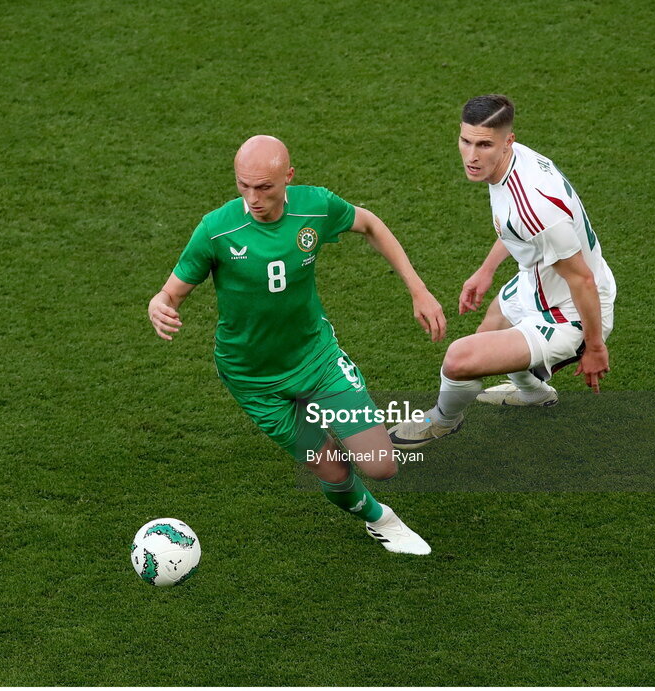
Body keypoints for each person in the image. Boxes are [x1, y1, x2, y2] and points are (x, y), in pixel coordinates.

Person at [148, 135, 446, 555]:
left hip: (315, 361)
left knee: (381, 465)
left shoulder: (315, 207)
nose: (252, 198)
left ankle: (332, 417)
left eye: (265, 187)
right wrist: (158, 305)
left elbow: (370, 224)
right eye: (243, 185)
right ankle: (381, 520)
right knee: (336, 473)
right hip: (254, 380)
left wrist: (418, 289)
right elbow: (170, 293)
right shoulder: (216, 230)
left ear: (288, 177)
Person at [388, 95, 616, 449]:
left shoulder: (535, 206)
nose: (472, 156)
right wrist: (486, 270)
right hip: (539, 281)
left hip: (569, 311)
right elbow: (516, 228)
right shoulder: (514, 161)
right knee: (489, 328)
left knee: (460, 359)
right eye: (466, 141)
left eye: (484, 145)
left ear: (507, 140)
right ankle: (534, 393)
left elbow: (580, 279)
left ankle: (442, 420)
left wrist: (595, 346)